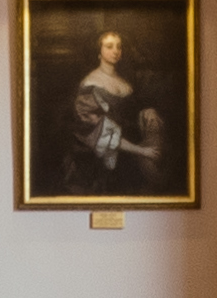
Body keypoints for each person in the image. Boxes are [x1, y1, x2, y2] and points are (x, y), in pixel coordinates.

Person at [63, 28, 166, 193]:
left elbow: (130, 119)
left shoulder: (125, 84)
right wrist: (142, 151)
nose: (116, 51)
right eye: (109, 46)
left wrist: (147, 115)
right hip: (103, 156)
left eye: (119, 46)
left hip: (130, 147)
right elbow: (97, 132)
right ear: (99, 51)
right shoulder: (91, 84)